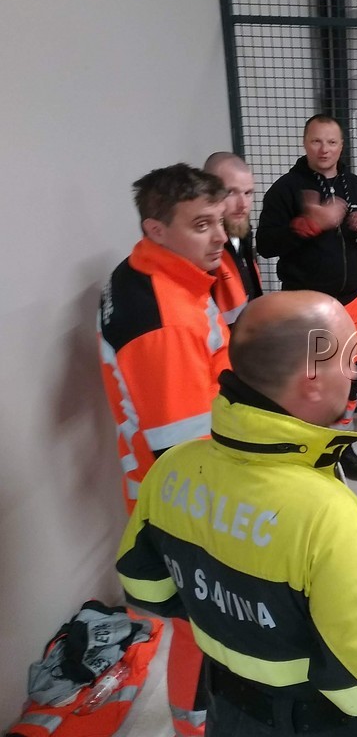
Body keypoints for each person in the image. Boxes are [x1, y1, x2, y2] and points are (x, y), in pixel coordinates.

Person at [116, 291, 357, 736]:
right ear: (312, 379)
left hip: (226, 711)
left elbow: (147, 588)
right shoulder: (326, 521)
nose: (355, 371)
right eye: (349, 358)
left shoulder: (170, 470)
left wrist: (235, 624)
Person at [98, 163, 231, 737]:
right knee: (204, 628)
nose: (220, 236)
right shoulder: (166, 321)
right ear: (156, 229)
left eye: (219, 220)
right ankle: (194, 728)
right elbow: (187, 452)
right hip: (185, 503)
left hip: (161, 487)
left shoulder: (148, 274)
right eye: (202, 225)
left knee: (198, 628)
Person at [256, 114, 357, 482]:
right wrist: (310, 224)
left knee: (352, 375)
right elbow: (265, 244)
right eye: (316, 141)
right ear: (305, 143)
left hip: (350, 302)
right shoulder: (285, 189)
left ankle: (340, 446)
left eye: (331, 142)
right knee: (308, 381)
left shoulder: (355, 185)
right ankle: (307, 449)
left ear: (341, 146)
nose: (324, 149)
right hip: (305, 306)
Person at [204, 152, 262, 325]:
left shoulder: (242, 234)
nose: (243, 204)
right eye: (231, 192)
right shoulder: (200, 248)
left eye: (248, 193)